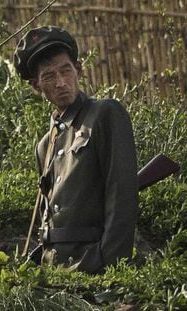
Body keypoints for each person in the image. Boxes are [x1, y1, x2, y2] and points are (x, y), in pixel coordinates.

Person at [14, 26, 139, 274]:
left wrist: (111, 267)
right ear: (37, 86)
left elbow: (122, 195)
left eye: (66, 70)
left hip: (92, 266)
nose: (61, 83)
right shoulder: (44, 146)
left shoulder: (105, 114)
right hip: (54, 271)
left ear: (78, 70)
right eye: (49, 76)